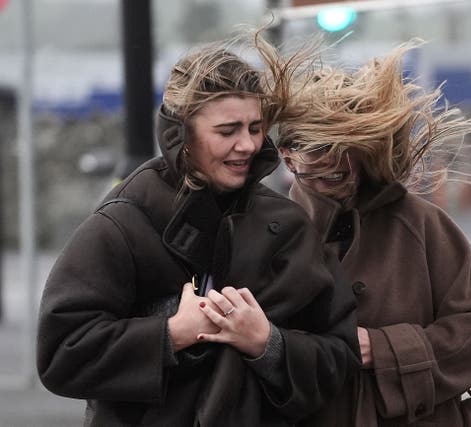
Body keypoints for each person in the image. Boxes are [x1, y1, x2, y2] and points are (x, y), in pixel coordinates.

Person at [36, 36, 361, 427]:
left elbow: (340, 356)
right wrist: (172, 332)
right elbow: (62, 352)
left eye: (255, 128)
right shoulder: (124, 222)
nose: (247, 145)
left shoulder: (289, 225)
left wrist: (266, 342)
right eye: (227, 131)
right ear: (181, 136)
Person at [277, 41, 471, 426]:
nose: (337, 159)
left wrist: (383, 349)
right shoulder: (268, 232)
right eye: (320, 147)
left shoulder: (422, 224)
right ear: (287, 155)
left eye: (350, 145)